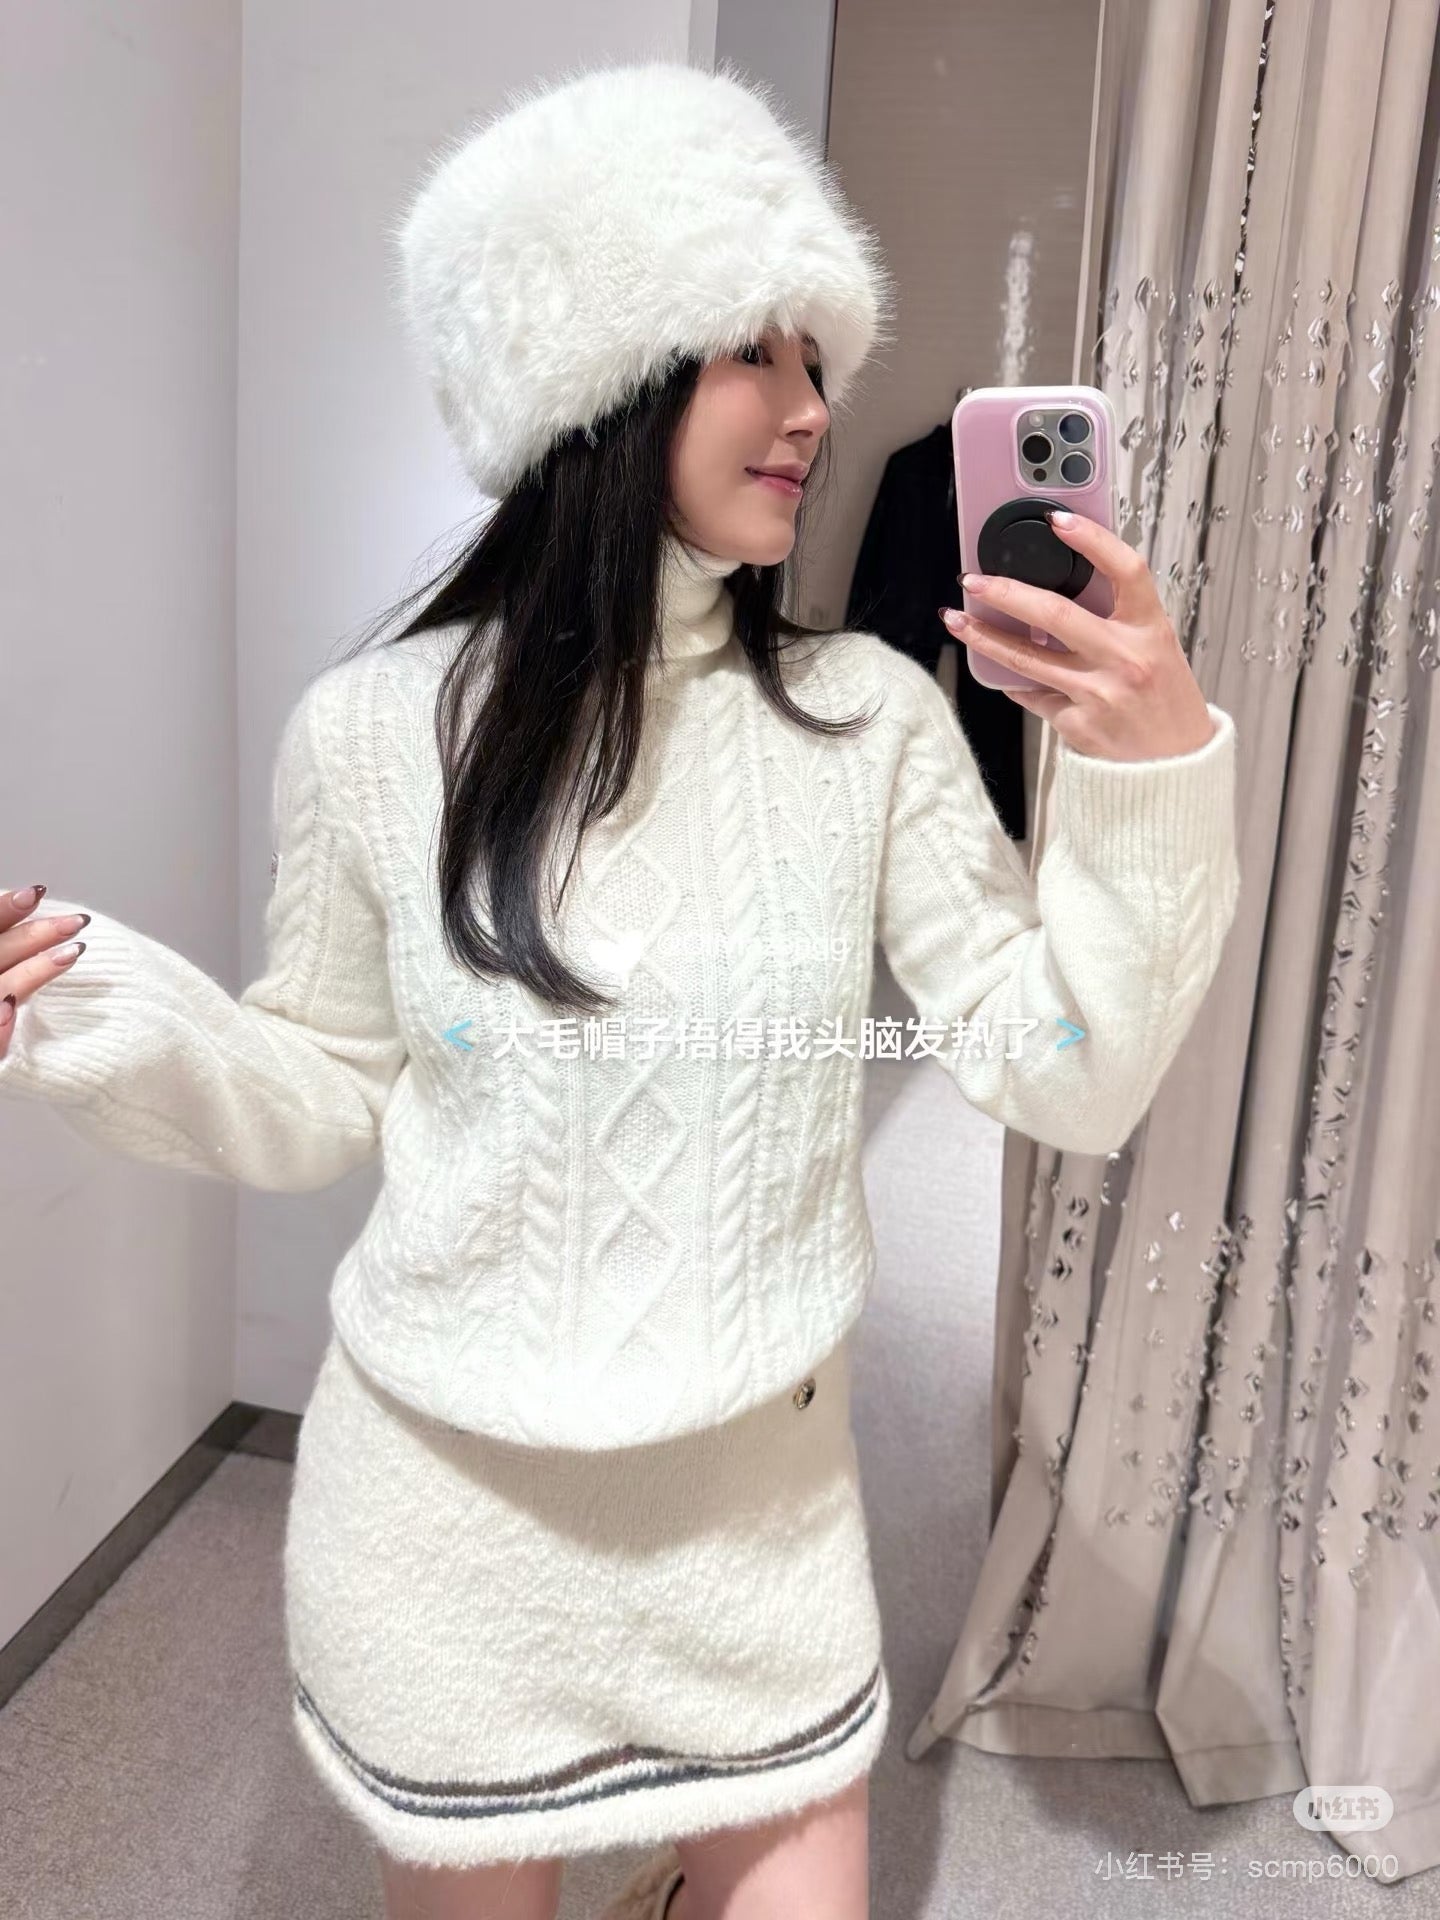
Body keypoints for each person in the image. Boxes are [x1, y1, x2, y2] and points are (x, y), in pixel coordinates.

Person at [0, 57, 1240, 1920]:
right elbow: (316, 1089)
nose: (813, 407)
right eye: (756, 352)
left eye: (818, 358)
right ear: (597, 375)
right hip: (448, 1525)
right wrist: (83, 1002)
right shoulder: (374, 732)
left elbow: (1067, 1071)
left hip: (758, 1529)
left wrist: (1146, 780)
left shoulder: (869, 722)